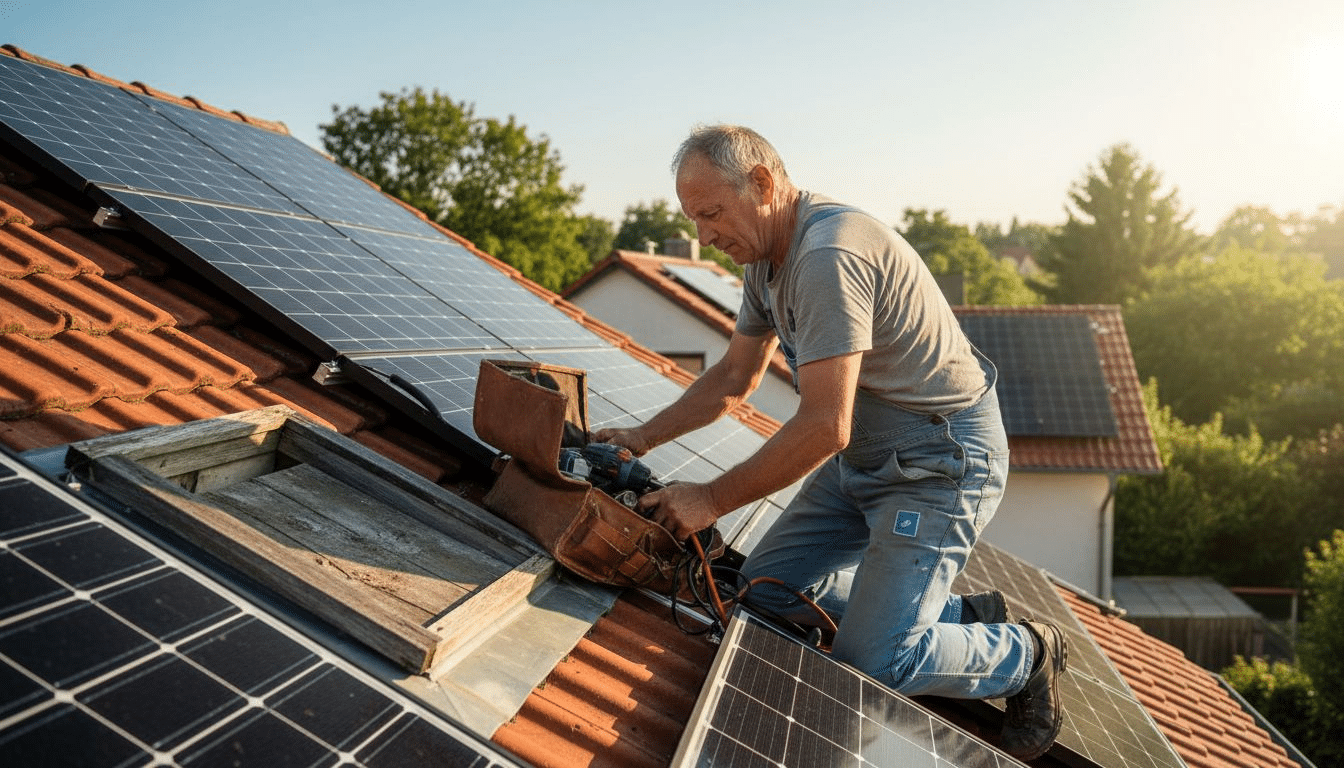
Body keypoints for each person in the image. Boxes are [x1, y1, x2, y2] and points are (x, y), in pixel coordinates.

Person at [593, 124, 1066, 760]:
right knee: (764, 594)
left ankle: (1028, 652)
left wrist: (709, 499)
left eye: (710, 213)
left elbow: (823, 426)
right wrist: (640, 437)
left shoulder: (827, 258)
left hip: (940, 462)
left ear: (762, 183)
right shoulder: (766, 263)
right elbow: (735, 377)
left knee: (871, 664)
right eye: (692, 218)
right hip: (865, 459)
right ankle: (956, 615)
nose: (703, 236)